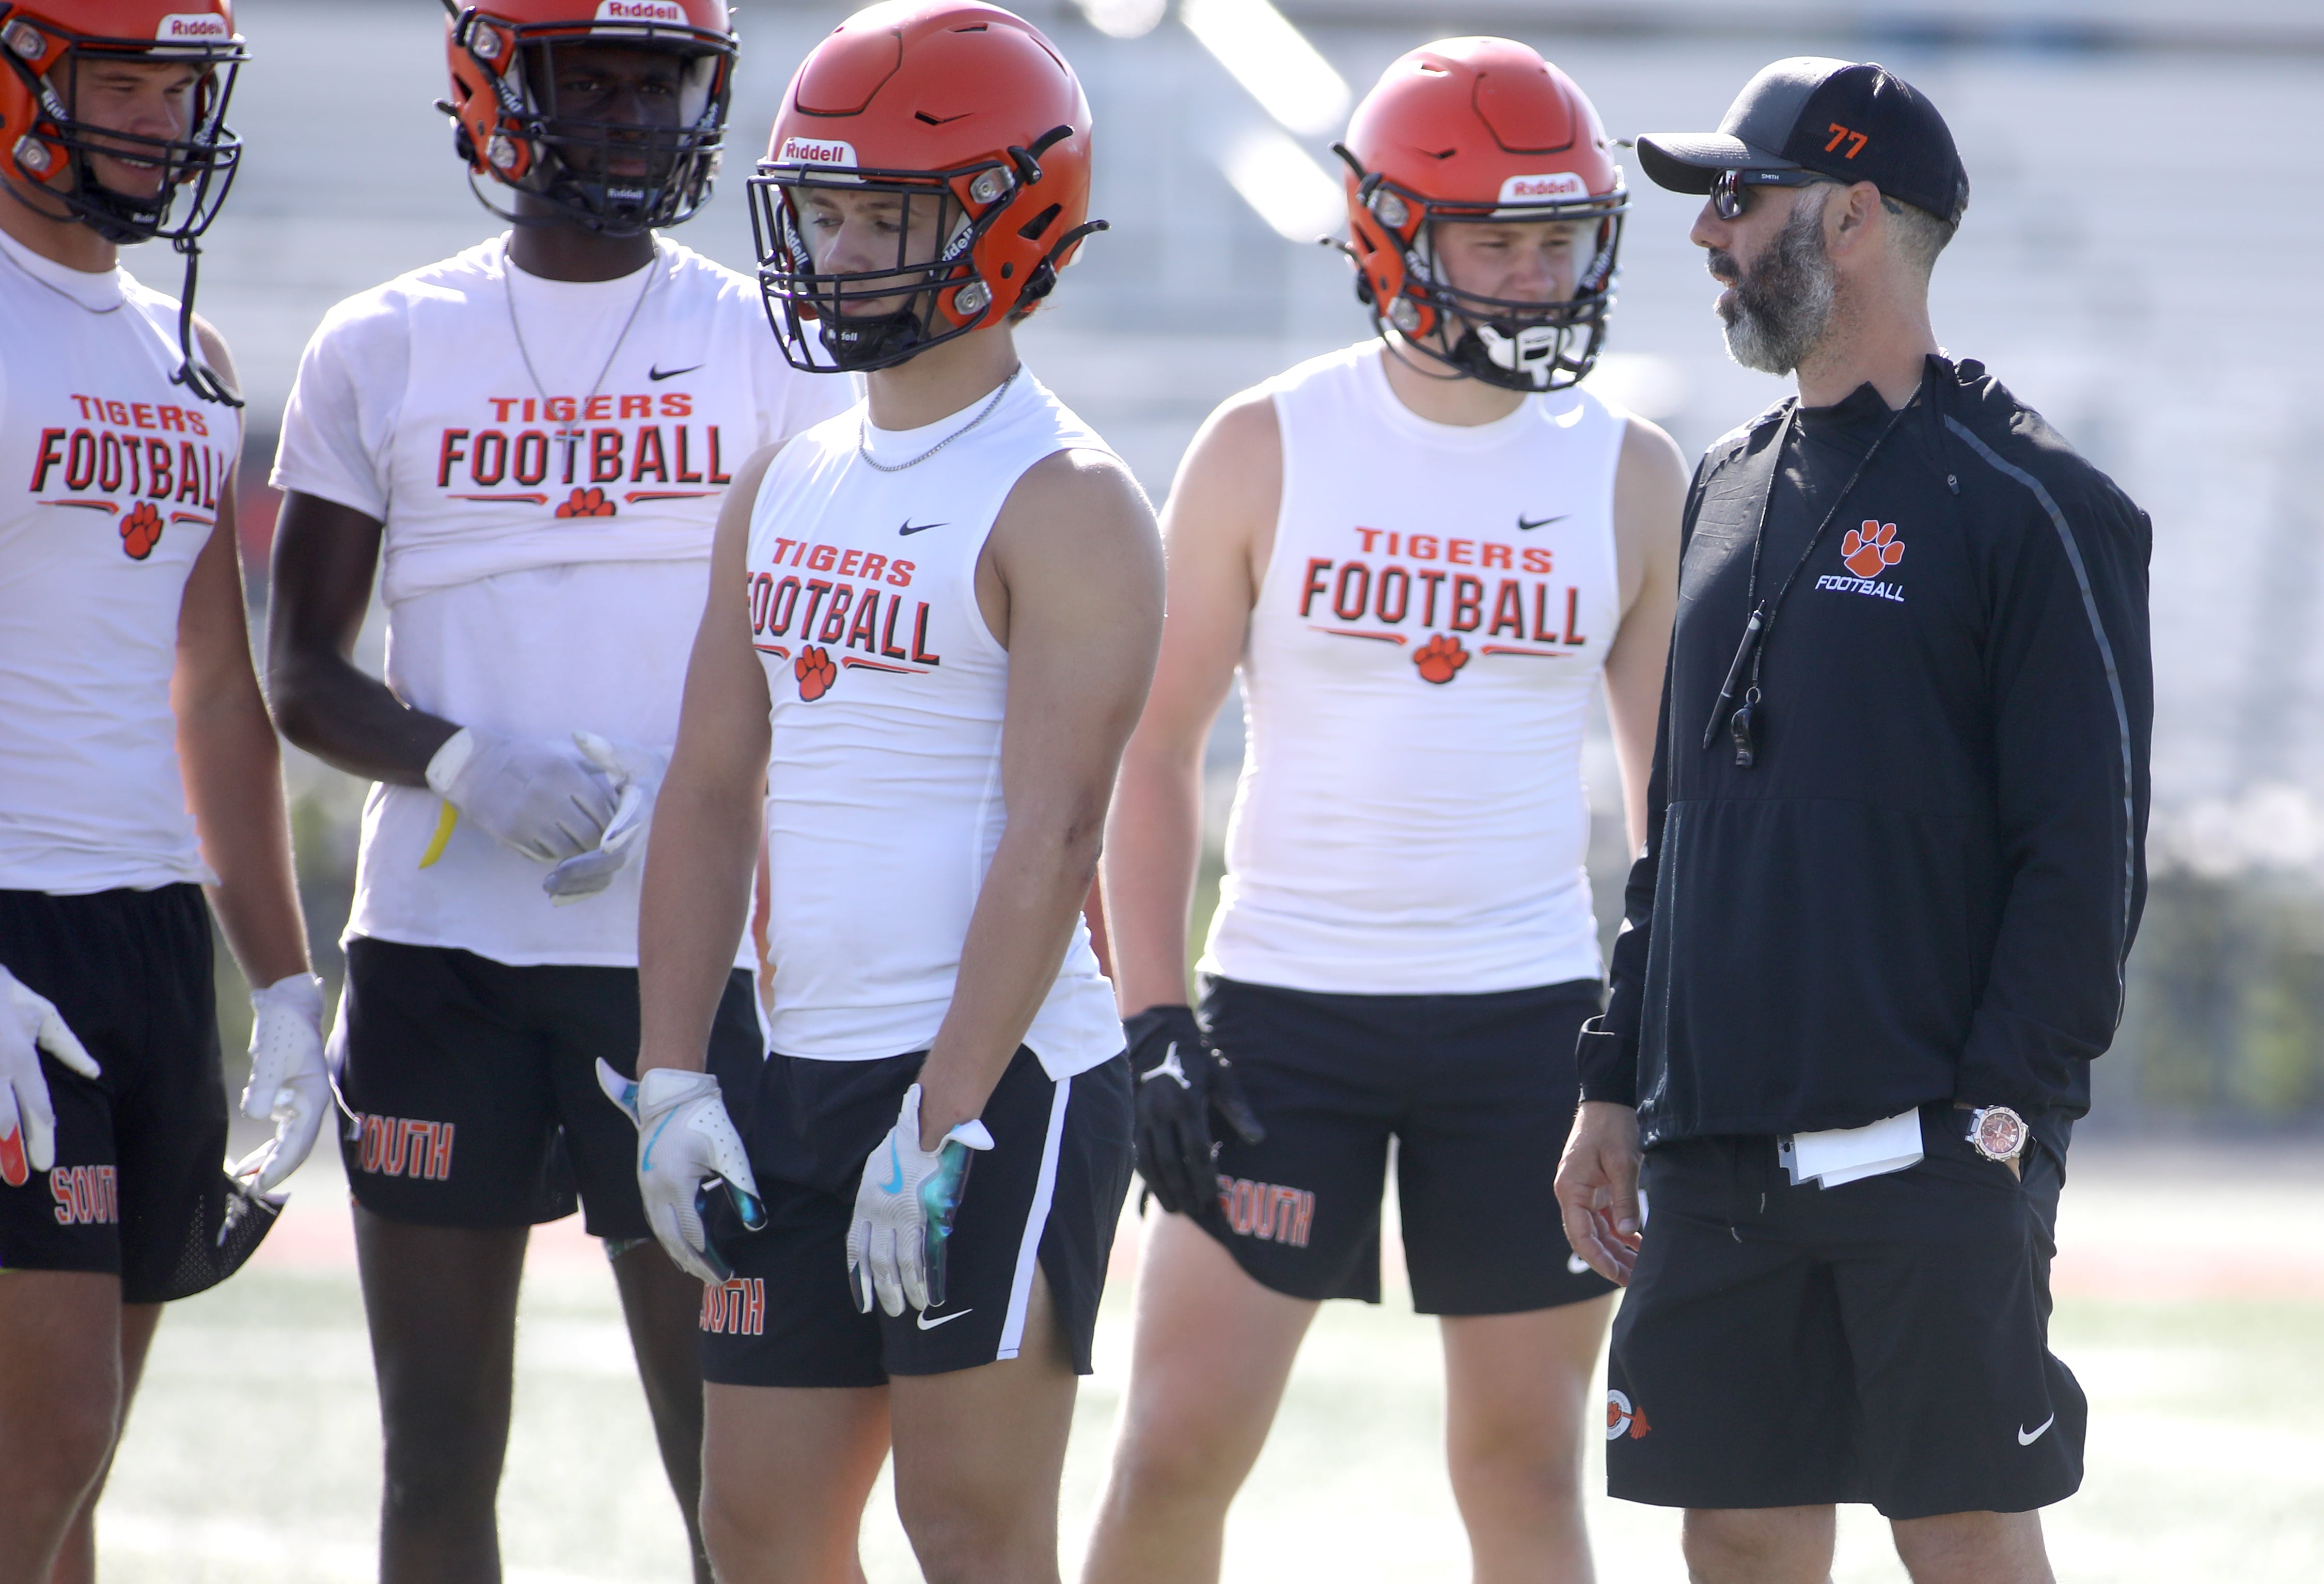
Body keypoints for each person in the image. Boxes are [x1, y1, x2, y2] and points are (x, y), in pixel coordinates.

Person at [1082, 39, 1685, 1584]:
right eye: (1498, 237)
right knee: (1169, 1455)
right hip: (1283, 1016)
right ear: (1387, 236)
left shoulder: (1628, 471)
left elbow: (1670, 804)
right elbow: (1149, 753)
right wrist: (1154, 1013)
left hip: (1529, 1027)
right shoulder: (1266, 439)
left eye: (1562, 239)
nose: (1540, 277)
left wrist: (1652, 1035)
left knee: (1522, 1467)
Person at [263, 3, 847, 1578]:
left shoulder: (771, 337)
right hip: (441, 958)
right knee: (437, 1456)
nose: (622, 117)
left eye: (654, 84)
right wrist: (460, 758)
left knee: (725, 1460)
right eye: (583, 80)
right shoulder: (379, 341)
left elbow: (831, 648)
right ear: (493, 93)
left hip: (692, 965)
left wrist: (707, 803)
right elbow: (298, 669)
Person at [1552, 58, 2152, 1584]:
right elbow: (1673, 824)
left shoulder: (2031, 501)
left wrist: (1997, 1125)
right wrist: (1615, 1082)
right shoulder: (1719, 485)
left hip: (1931, 1154)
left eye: (1740, 199)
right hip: (1711, 1153)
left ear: (1857, 216)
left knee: (1958, 1540)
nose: (1707, 236)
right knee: (1739, 1543)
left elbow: (2085, 853)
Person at [617, 3, 1157, 1579]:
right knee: (760, 1530)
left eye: (888, 215)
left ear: (1013, 215)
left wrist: (940, 1116)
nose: (843, 251)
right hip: (802, 1066)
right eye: (827, 211)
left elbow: (1054, 842)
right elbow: (711, 785)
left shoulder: (1070, 497)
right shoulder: (787, 477)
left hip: (996, 1077)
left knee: (970, 1532)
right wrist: (671, 1079)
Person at [0, 3, 330, 1579]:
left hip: (141, 933)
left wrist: (284, 978)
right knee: (39, 1443)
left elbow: (215, 686)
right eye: (114, 80)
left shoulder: (185, 349)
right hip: (8, 936)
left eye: (174, 87)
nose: (150, 118)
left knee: (77, 1477)